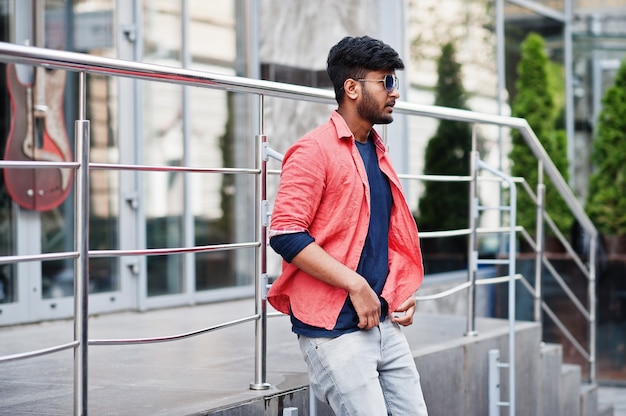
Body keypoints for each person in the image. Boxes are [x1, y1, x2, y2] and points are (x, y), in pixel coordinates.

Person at [267, 35, 428, 415]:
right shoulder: (313, 150)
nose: (395, 92)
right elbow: (286, 232)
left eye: (395, 82)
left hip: (384, 321)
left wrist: (397, 291)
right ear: (352, 88)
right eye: (386, 81)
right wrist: (356, 285)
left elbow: (379, 238)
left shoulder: (377, 150)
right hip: (335, 330)